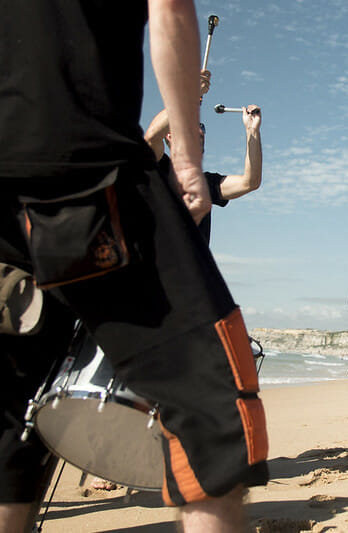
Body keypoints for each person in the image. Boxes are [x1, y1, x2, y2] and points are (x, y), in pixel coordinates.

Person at [0, 2, 269, 532]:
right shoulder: (162, 164)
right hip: (84, 172)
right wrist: (184, 141)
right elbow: (170, 13)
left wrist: (238, 133)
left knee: (13, 418)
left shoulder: (211, 180)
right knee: (214, 412)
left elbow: (247, 181)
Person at [144, 71, 263, 244]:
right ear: (169, 135)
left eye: (201, 127)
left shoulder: (205, 183)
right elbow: (152, 137)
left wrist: (252, 131)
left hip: (193, 271)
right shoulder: (157, 170)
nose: (199, 131)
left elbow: (250, 182)